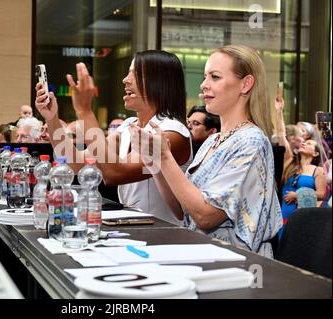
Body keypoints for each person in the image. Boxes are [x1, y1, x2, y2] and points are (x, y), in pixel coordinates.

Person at [130, 45, 282, 258]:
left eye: (215, 77)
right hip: (203, 254)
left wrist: (164, 157)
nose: (203, 85)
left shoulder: (251, 141)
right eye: (205, 77)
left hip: (236, 264)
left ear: (245, 84)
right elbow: (181, 209)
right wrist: (154, 159)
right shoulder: (213, 141)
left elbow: (206, 216)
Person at [35, 50, 192, 225]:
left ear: (161, 82)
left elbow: (114, 173)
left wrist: (85, 111)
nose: (126, 80)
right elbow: (76, 163)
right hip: (133, 230)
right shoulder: (128, 126)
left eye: (136, 74)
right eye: (128, 73)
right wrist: (52, 119)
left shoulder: (173, 132)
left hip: (166, 237)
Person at [279, 139, 327, 238]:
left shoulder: (318, 170)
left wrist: (297, 195)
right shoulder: (290, 164)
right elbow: (282, 140)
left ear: (315, 153)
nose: (303, 143)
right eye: (303, 142)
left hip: (301, 215)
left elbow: (322, 194)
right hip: (282, 214)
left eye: (308, 143)